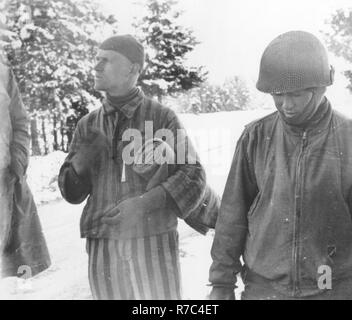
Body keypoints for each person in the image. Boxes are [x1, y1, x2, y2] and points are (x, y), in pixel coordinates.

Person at [58, 34, 207, 300]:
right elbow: (71, 194)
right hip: (103, 245)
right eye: (96, 59)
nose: (96, 66)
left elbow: (194, 176)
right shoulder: (87, 125)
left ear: (133, 69)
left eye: (107, 60)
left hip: (152, 243)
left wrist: (144, 204)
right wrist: (80, 164)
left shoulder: (161, 117)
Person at [209, 30, 352, 300]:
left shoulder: (348, 139)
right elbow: (232, 216)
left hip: (334, 289)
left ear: (320, 87)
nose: (286, 105)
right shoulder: (255, 137)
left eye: (297, 95)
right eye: (278, 94)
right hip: (265, 289)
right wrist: (221, 283)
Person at [0, 50, 50, 279]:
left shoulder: (3, 71)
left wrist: (18, 160)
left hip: (4, 184)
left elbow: (19, 120)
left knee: (10, 276)